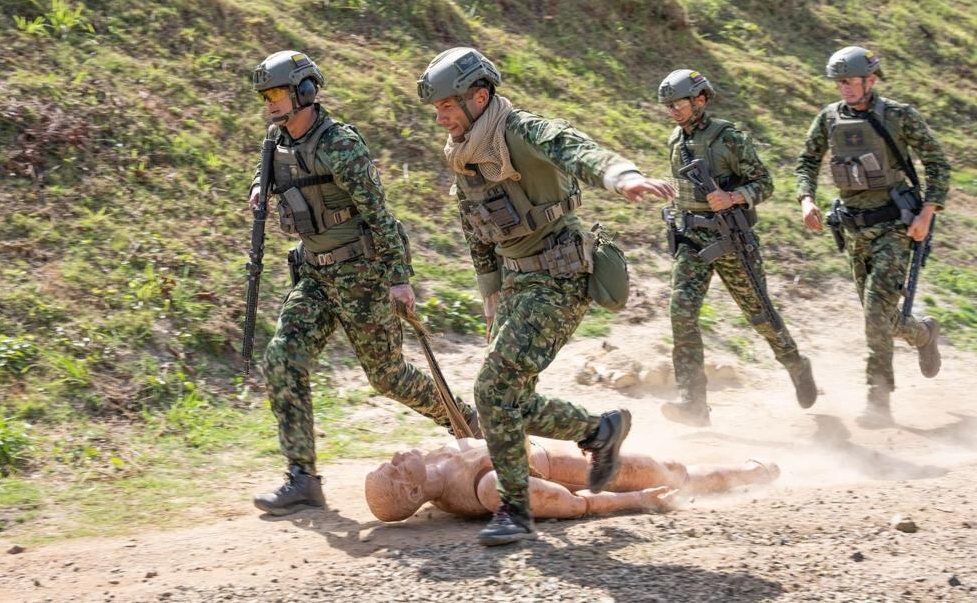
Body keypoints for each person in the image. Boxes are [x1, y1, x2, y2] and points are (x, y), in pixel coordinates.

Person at [416, 47, 675, 545]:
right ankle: (598, 431)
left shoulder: (519, 131)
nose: (441, 117)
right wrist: (490, 293)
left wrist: (622, 176)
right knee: (507, 398)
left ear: (479, 97)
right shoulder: (465, 153)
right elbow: (476, 228)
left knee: (493, 391)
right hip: (517, 283)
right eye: (437, 108)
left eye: (447, 105)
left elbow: (573, 147)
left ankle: (516, 508)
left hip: (559, 277)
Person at [248, 50, 480, 515]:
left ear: (305, 92)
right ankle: (302, 478)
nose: (270, 103)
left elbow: (380, 215)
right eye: (265, 96)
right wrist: (259, 185)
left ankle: (467, 424)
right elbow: (269, 169)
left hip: (362, 275)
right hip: (315, 275)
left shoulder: (340, 145)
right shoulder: (277, 141)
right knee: (282, 358)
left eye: (277, 93)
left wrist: (398, 279)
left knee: (388, 376)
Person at [796, 46, 950, 427]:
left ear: (871, 81)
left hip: (895, 227)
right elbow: (807, 160)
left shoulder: (899, 115)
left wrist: (927, 213)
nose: (845, 89)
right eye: (840, 83)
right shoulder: (829, 118)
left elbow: (937, 163)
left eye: (850, 82)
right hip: (854, 229)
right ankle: (923, 334)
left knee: (876, 314)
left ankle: (878, 399)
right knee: (878, 316)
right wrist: (806, 199)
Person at [656, 70, 817, 427]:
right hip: (692, 241)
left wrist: (733, 197)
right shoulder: (675, 140)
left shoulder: (729, 138)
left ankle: (795, 363)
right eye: (668, 106)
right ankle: (693, 404)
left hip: (730, 240)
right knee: (681, 313)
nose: (673, 111)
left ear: (700, 100)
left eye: (678, 104)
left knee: (760, 315)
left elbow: (765, 183)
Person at [364, 438, 779, 534]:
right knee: (669, 472)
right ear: (413, 494)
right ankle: (752, 475)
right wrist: (637, 499)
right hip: (579, 471)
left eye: (390, 462)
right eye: (396, 471)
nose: (397, 456)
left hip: (559, 446)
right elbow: (571, 504)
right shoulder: (487, 489)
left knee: (667, 464)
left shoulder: (432, 462)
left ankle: (745, 470)